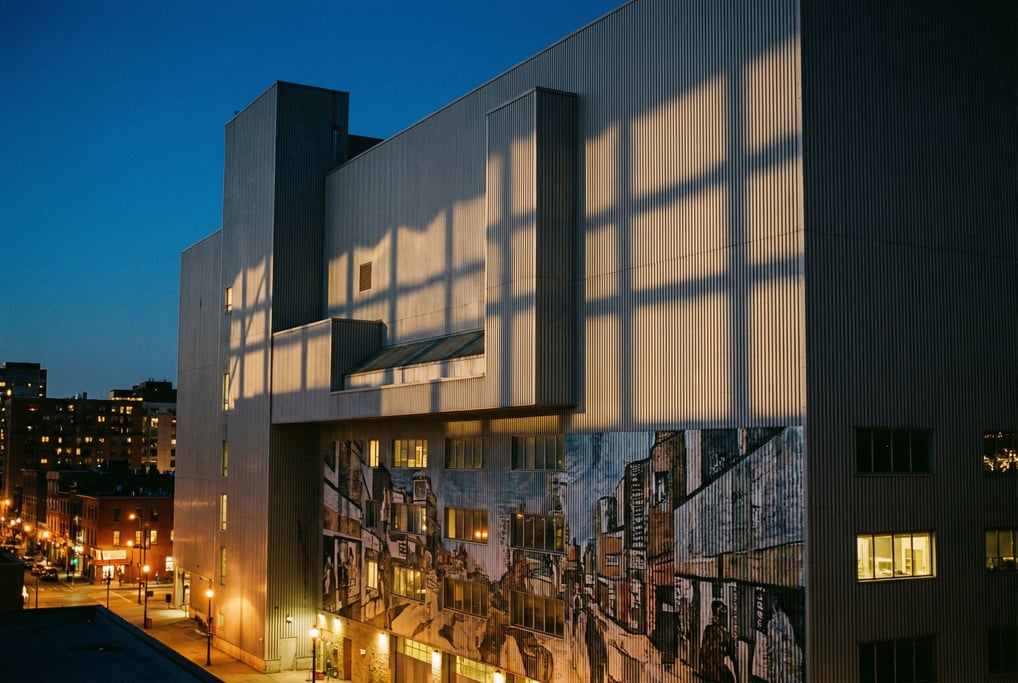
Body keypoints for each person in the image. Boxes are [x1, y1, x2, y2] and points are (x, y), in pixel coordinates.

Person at [699, 599, 738, 683]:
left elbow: (702, 652)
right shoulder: (725, 635)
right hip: (718, 675)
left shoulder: (707, 630)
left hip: (707, 673)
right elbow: (734, 659)